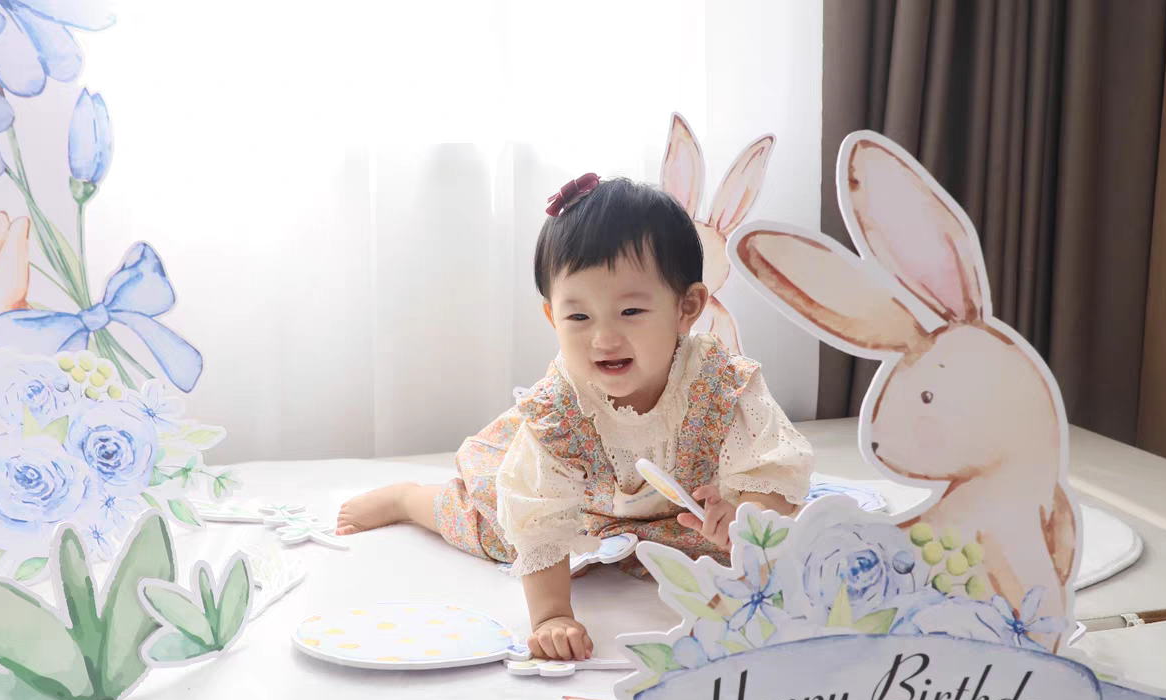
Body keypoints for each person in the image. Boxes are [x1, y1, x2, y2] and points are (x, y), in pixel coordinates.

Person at [337, 174, 813, 661]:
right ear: (552, 318)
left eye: (630, 311)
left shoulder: (719, 383)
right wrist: (552, 616)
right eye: (579, 317)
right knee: (497, 532)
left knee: (729, 554)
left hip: (680, 514)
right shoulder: (561, 411)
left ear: (687, 308)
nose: (603, 338)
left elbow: (770, 464)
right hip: (578, 504)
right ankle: (409, 499)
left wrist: (744, 519)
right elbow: (539, 517)